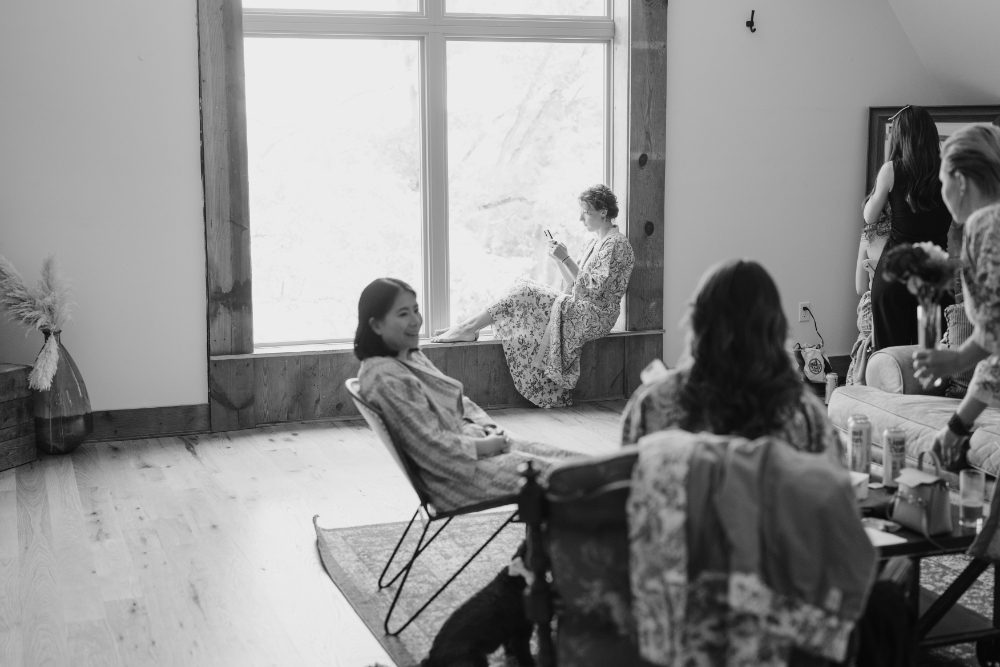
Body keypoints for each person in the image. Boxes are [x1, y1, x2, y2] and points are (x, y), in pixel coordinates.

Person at [354, 277, 579, 511]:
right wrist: (485, 446)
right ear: (376, 325)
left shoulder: (407, 355)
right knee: (579, 477)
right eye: (403, 314)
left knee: (577, 463)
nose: (415, 321)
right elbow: (431, 449)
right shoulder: (386, 377)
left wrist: (488, 433)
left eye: (416, 310)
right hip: (455, 479)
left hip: (475, 445)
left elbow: (458, 404)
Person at [432, 184, 635, 408]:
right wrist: (559, 260)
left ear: (603, 212)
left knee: (525, 292)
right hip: (582, 306)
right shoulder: (594, 243)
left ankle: (468, 327)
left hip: (596, 316)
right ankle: (467, 327)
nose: (580, 218)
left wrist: (566, 258)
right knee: (523, 285)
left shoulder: (617, 244)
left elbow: (593, 288)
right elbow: (573, 284)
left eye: (586, 212)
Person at [620, 259, 844, 462]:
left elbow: (625, 488)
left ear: (697, 323)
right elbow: (835, 493)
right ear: (776, 330)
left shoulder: (652, 403)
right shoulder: (803, 414)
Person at [911, 123, 1000, 466]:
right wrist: (957, 427)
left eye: (943, 180)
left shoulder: (986, 224)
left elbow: (994, 330)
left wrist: (959, 358)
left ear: (960, 179)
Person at [866, 105, 953, 350]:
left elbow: (869, 217)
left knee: (890, 357)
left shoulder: (892, 169)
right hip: (933, 275)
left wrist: (879, 190)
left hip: (895, 274)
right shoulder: (948, 171)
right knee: (931, 358)